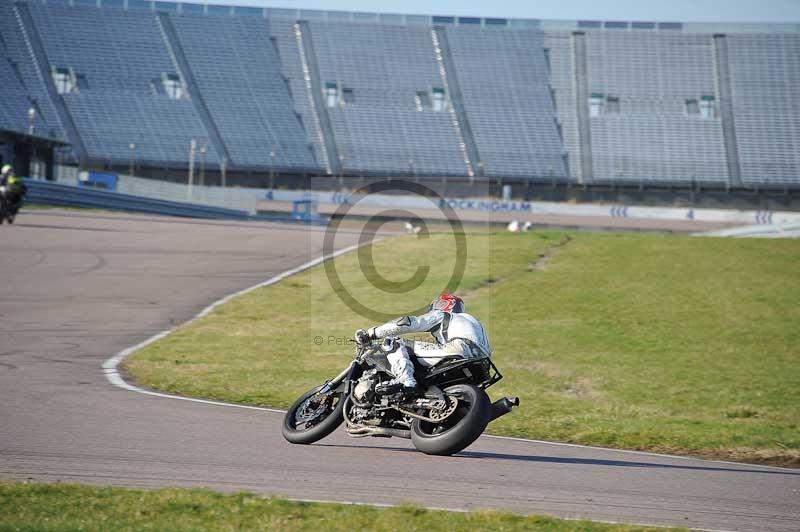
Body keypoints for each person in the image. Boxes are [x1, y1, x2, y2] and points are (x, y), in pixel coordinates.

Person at [355, 293, 492, 396]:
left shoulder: (444, 315)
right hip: (483, 363)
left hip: (458, 350)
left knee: (392, 341)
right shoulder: (476, 323)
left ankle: (405, 379)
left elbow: (406, 323)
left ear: (444, 305)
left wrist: (371, 333)